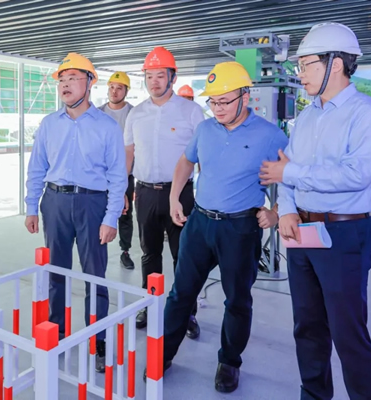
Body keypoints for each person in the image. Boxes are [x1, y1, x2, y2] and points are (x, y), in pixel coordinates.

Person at [260, 22, 371, 400]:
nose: (300, 74)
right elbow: (286, 167)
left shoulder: (367, 113)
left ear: (336, 63)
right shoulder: (308, 116)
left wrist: (290, 174)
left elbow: (357, 175)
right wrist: (286, 210)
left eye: (306, 64)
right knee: (308, 327)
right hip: (303, 232)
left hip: (345, 234)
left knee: (348, 333)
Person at [151, 61, 287, 393]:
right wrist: (174, 197)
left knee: (237, 300)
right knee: (181, 293)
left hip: (240, 229)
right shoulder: (205, 129)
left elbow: (293, 177)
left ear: (245, 97)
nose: (218, 108)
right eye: (213, 102)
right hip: (199, 224)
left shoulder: (270, 135)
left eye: (225, 101)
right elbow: (186, 160)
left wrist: (277, 213)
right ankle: (163, 355)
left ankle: (229, 361)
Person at [25, 52, 127, 373]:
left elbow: (118, 176)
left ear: (90, 83)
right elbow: (36, 168)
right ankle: (57, 332)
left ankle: (98, 339)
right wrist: (31, 206)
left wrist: (111, 217)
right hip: (54, 202)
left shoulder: (107, 127)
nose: (65, 85)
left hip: (92, 204)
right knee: (56, 272)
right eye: (62, 80)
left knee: (94, 274)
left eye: (73, 78)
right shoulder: (49, 124)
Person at [124, 46, 204, 335]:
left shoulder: (191, 112)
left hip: (180, 194)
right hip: (145, 193)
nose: (154, 81)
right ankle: (150, 304)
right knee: (149, 253)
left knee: (183, 256)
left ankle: (187, 313)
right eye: (149, 76)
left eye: (160, 75)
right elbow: (128, 154)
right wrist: (122, 190)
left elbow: (203, 156)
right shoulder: (137, 114)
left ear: (173, 77)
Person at [98, 71, 135, 270]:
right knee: (97, 209)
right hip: (99, 173)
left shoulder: (133, 113)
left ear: (126, 91)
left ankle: (125, 251)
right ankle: (97, 245)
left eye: (119, 88)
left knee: (124, 212)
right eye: (111, 87)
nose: (114, 91)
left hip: (125, 172)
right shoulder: (97, 113)